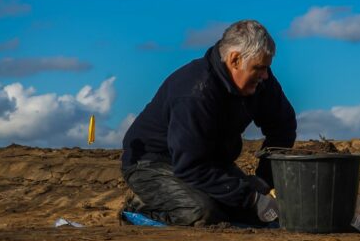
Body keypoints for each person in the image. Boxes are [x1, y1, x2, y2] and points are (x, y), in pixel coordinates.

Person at [121, 19, 297, 226]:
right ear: (235, 60)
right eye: (259, 68)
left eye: (267, 68)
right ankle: (143, 207)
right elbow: (190, 166)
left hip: (209, 163)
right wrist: (251, 198)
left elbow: (283, 126)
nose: (265, 75)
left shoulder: (262, 80)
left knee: (259, 214)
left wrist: (265, 182)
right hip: (154, 163)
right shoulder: (195, 93)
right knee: (202, 213)